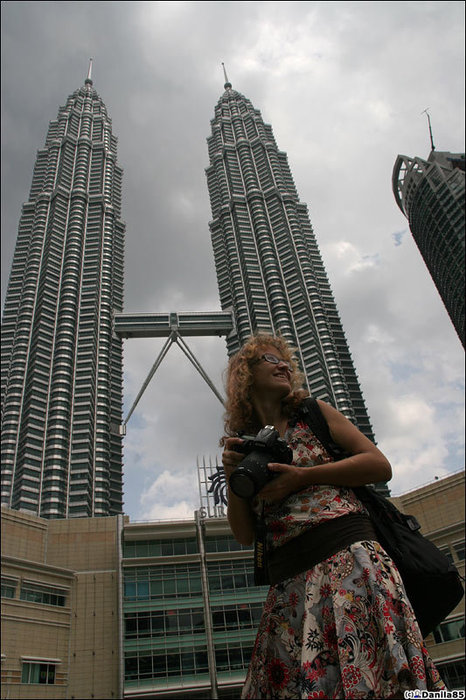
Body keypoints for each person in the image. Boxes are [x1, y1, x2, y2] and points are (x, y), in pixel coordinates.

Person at [221, 333, 446, 699]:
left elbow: (379, 465)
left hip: (349, 559)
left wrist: (304, 476)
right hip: (290, 581)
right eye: (269, 359)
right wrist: (235, 480)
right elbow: (245, 535)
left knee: (372, 677)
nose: (283, 365)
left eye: (286, 362)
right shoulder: (244, 445)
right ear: (245, 373)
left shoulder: (312, 413)